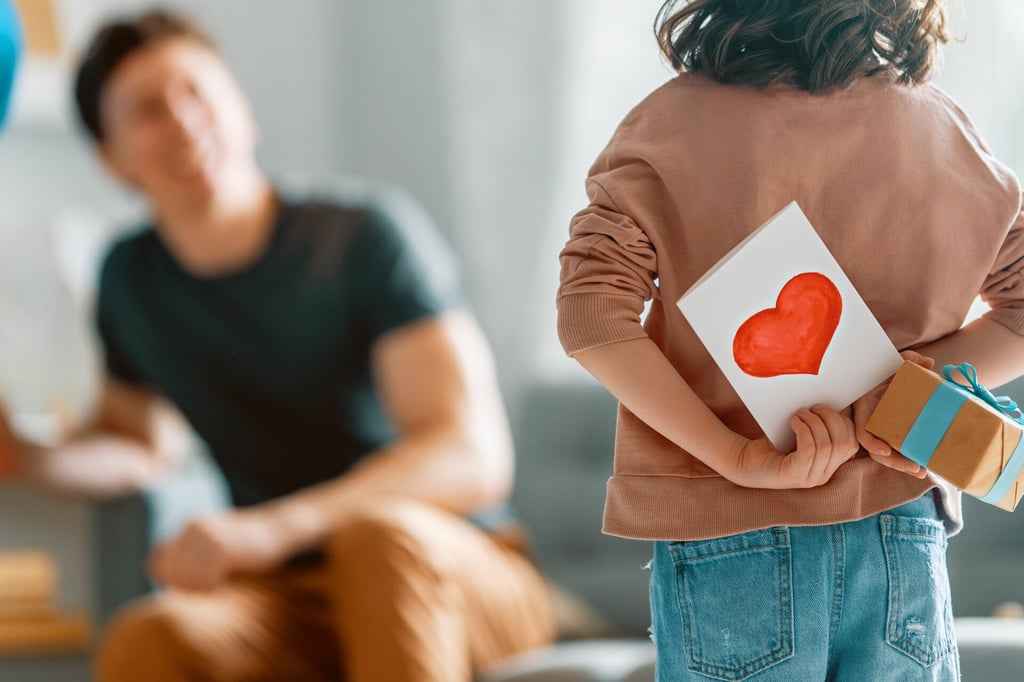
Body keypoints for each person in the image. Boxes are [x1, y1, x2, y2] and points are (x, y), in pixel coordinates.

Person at [4, 9, 554, 682]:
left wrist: (272, 530)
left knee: (378, 541)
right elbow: (140, 444)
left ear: (242, 110)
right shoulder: (128, 278)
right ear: (112, 161)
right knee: (150, 637)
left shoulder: (366, 237)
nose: (182, 120)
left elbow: (471, 455)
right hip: (296, 598)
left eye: (198, 92)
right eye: (148, 109)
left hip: (459, 572)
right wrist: (29, 456)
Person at [557, 1, 1024, 680]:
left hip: (725, 530)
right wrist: (895, 397)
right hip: (899, 531)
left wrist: (738, 456)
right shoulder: (941, 130)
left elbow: (590, 316)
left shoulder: (670, 126)